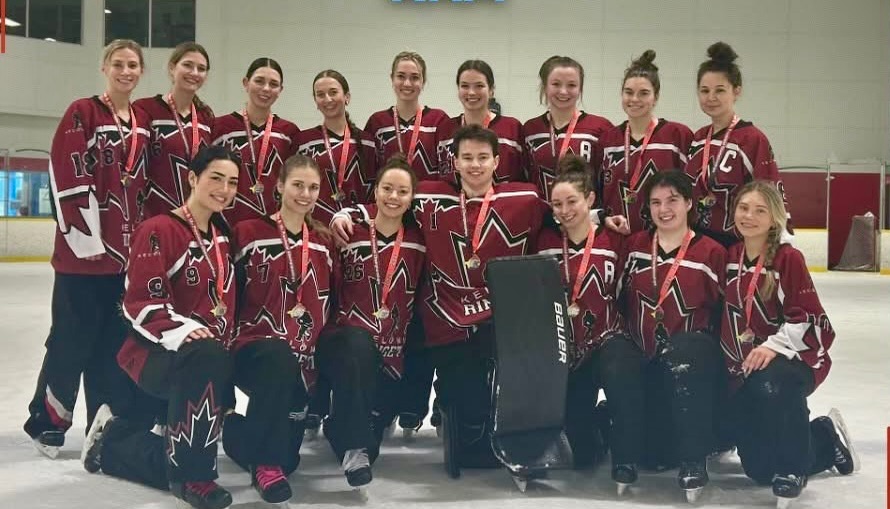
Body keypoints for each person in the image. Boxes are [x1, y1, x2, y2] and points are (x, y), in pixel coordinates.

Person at [333, 124, 550, 468]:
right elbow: (391, 201)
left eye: (483, 158)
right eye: (467, 157)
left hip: (500, 320)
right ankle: (458, 419)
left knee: (513, 392)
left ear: (497, 162)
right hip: (447, 321)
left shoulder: (525, 198)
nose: (475, 165)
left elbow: (564, 215)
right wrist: (349, 213)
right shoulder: (429, 196)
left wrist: (600, 217)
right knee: (468, 409)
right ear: (455, 161)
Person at [83, 145, 239, 509]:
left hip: (207, 358)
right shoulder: (158, 229)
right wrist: (184, 332)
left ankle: (113, 440)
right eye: (216, 178)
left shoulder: (222, 234)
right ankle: (195, 478)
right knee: (190, 457)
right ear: (192, 178)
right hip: (155, 355)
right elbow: (139, 302)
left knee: (184, 451)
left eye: (232, 182)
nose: (224, 189)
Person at [24, 39, 151, 458]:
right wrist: (85, 238)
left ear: (141, 71)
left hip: (123, 259)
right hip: (83, 258)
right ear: (104, 68)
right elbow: (66, 172)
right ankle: (48, 421)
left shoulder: (143, 123)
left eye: (133, 65)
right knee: (70, 340)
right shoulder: (83, 112)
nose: (126, 71)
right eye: (118, 64)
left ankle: (103, 417)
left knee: (112, 344)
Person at [719, 180, 857, 505]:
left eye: (759, 211)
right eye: (743, 208)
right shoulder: (728, 256)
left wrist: (772, 346)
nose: (749, 216)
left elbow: (809, 317)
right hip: (745, 366)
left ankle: (793, 469)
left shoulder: (787, 259)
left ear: (774, 219)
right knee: (759, 470)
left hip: (791, 362)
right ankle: (823, 437)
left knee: (773, 381)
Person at [224, 154, 336, 501]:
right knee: (276, 357)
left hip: (303, 355)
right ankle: (266, 465)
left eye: (313, 187)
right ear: (280, 186)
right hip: (257, 348)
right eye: (297, 185)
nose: (305, 194)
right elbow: (229, 293)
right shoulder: (248, 233)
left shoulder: (323, 241)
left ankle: (235, 430)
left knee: (290, 460)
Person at [617, 169, 727, 501]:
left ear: (689, 203)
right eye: (655, 202)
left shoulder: (712, 252)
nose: (664, 209)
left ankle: (694, 460)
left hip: (692, 366)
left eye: (672, 200)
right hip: (647, 362)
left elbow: (726, 314)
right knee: (654, 457)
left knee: (686, 357)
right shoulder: (634, 246)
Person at [319, 155, 425, 486]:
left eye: (403, 191)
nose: (394, 197)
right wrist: (343, 213)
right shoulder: (349, 232)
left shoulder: (420, 240)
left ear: (412, 197)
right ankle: (353, 447)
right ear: (375, 190)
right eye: (387, 188)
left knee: (374, 440)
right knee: (361, 439)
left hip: (393, 351)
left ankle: (340, 426)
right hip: (349, 341)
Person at [536, 155, 637, 481]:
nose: (564, 210)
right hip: (568, 350)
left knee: (620, 373)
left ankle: (626, 456)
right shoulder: (544, 242)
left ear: (590, 199)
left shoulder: (615, 239)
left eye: (572, 202)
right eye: (557, 204)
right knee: (580, 455)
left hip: (608, 341)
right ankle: (600, 425)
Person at [684, 42, 790, 247]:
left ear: (736, 91)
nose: (711, 97)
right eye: (704, 90)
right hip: (698, 240)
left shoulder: (752, 139)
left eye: (720, 90)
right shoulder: (698, 138)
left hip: (737, 242)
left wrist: (779, 241)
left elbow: (771, 193)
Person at [598, 50, 693, 233]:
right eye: (629, 92)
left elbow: (690, 190)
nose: (634, 99)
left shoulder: (677, 136)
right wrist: (604, 218)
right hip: (616, 237)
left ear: (655, 97)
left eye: (643, 93)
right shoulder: (607, 140)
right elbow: (597, 192)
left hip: (664, 238)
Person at [211, 57, 299, 225]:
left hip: (275, 226)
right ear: (246, 83)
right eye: (259, 81)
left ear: (280, 90)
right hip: (226, 222)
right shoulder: (220, 127)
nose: (266, 88)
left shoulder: (289, 132)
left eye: (273, 84)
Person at [136, 42, 214, 218]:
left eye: (201, 69)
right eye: (187, 65)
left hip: (194, 216)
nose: (194, 72)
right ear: (172, 68)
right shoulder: (145, 109)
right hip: (154, 214)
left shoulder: (206, 116)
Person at [523, 55, 613, 201]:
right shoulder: (530, 130)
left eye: (571, 85)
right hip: (540, 214)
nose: (563, 91)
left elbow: (607, 182)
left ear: (580, 89)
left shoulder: (600, 128)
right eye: (556, 84)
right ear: (545, 87)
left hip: (585, 214)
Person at [295, 70, 377, 225]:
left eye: (333, 92)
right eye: (320, 94)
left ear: (347, 97)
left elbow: (377, 192)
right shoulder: (303, 142)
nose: (327, 99)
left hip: (358, 229)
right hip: (316, 229)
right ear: (315, 101)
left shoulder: (368, 142)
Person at [363, 51, 449, 182]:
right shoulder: (377, 123)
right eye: (401, 76)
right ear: (392, 79)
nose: (407, 83)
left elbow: (447, 172)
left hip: (427, 195)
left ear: (423, 81)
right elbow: (368, 174)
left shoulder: (438, 120)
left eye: (414, 77)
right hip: (391, 195)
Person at [437, 59, 524, 184]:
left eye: (479, 86)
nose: (471, 92)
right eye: (465, 86)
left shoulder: (512, 128)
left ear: (491, 90)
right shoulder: (445, 129)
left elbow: (523, 178)